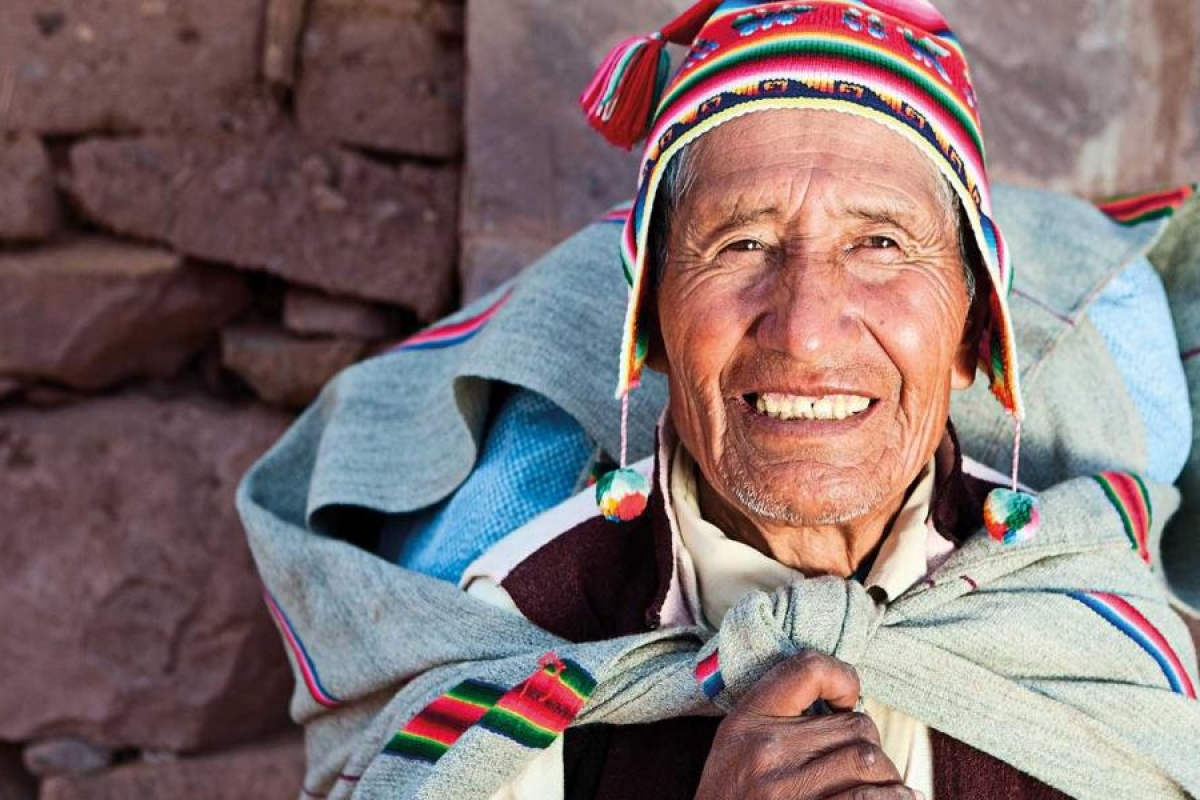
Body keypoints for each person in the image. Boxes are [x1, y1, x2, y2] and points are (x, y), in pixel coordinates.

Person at [237, 1, 1200, 797]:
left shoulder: (1081, 629)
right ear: (649, 327)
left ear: (972, 335)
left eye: (880, 245)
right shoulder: (518, 638)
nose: (806, 330)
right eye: (742, 244)